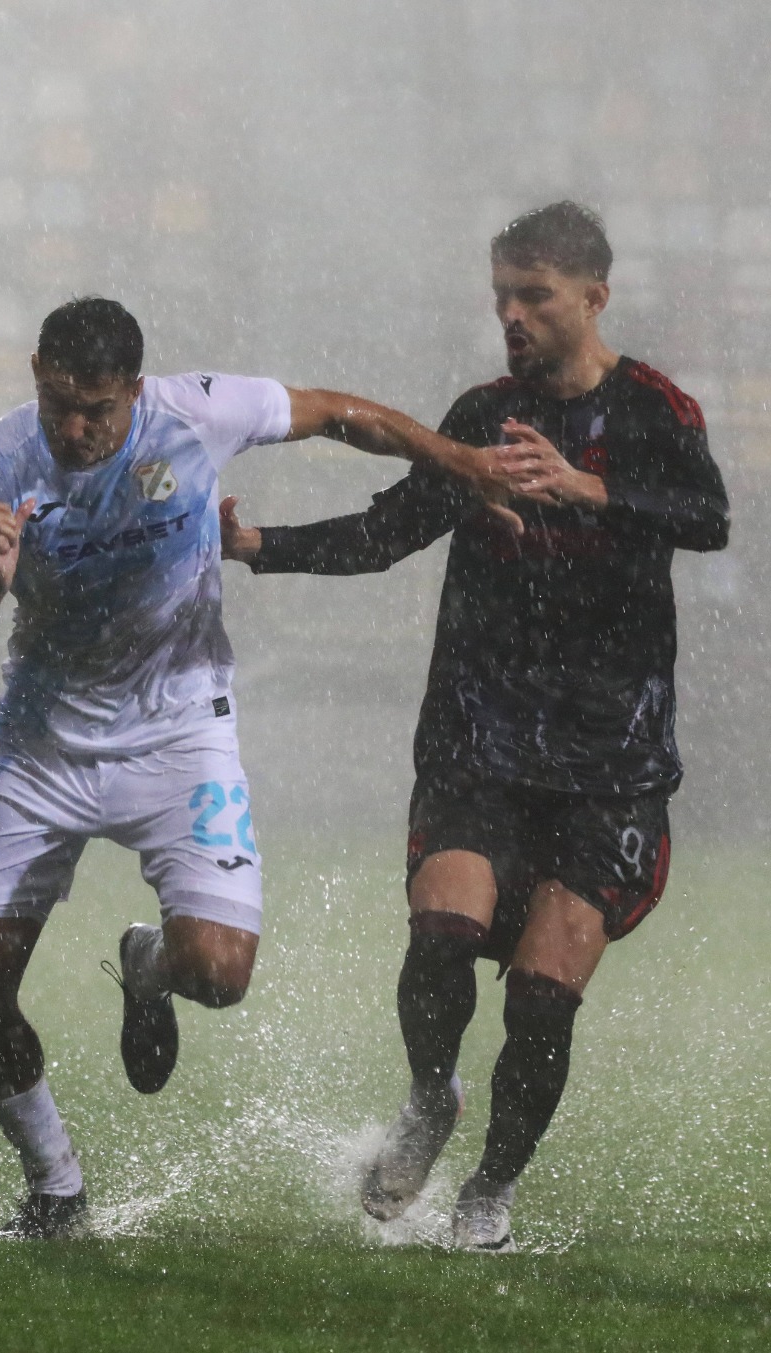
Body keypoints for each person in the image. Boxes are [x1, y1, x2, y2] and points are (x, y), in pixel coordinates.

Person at [0, 296, 513, 1238]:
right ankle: (56, 1185)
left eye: (97, 410)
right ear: (35, 372)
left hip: (180, 735)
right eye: (60, 403)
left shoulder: (195, 412)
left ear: (134, 393)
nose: (76, 429)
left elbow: (340, 412)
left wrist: (464, 461)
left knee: (222, 972)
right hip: (41, 747)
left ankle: (148, 966)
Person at [221, 203, 729, 1252]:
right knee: (442, 931)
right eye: (501, 294)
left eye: (534, 296)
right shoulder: (483, 415)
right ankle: (427, 1099)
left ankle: (489, 1192)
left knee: (544, 997)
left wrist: (587, 488)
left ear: (593, 297)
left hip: (611, 757)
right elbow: (389, 532)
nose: (511, 314)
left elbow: (708, 518)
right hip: (480, 733)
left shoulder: (653, 412)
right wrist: (258, 545)